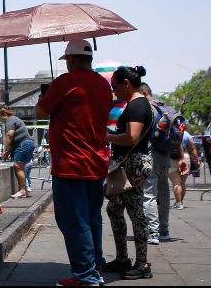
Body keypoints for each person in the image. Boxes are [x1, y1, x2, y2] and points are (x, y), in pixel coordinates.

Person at [36, 39, 112, 287]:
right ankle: (95, 265)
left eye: (67, 60)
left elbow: (40, 112)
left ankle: (85, 275)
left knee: (72, 219)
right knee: (92, 218)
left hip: (71, 162)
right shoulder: (103, 84)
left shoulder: (65, 82)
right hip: (96, 162)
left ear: (70, 59)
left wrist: (48, 94)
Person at [102, 66, 154, 280]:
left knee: (135, 213)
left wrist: (108, 137)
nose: (114, 91)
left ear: (126, 83)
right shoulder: (135, 104)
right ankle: (123, 258)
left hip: (133, 163)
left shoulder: (137, 105)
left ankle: (142, 263)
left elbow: (132, 137)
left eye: (115, 86)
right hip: (130, 163)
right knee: (115, 209)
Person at [139, 83, 172, 245]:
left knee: (149, 195)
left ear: (144, 93)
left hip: (150, 156)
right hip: (164, 157)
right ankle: (164, 229)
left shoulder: (147, 109)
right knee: (164, 194)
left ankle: (153, 232)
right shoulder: (164, 108)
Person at [0, 106, 35, 199]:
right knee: (22, 167)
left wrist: (4, 150)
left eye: (0, 117)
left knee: (17, 166)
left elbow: (9, 136)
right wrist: (6, 154)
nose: (0, 120)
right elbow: (13, 142)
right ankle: (24, 189)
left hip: (23, 143)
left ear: (4, 115)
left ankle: (22, 190)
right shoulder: (15, 119)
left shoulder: (10, 120)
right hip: (29, 143)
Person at [169, 128, 199, 210]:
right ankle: (180, 202)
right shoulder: (186, 134)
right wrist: (197, 161)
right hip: (185, 158)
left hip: (171, 159)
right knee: (182, 182)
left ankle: (178, 203)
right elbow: (192, 148)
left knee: (176, 182)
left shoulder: (168, 133)